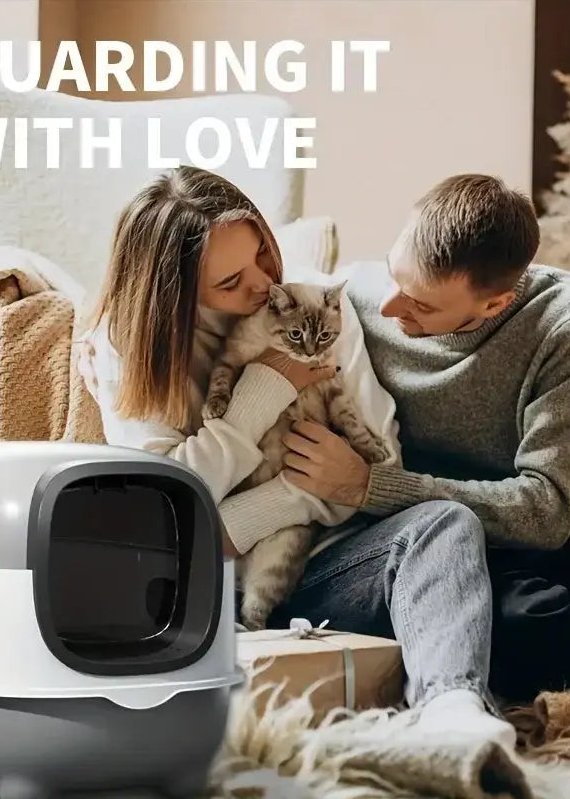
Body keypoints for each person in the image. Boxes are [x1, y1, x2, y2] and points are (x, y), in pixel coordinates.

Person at [77, 166, 517, 747]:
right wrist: (267, 393)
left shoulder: (313, 305)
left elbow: (381, 464)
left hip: (327, 562)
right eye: (230, 281)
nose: (262, 284)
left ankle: (453, 710)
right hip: (209, 592)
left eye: (263, 253)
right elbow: (169, 514)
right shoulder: (128, 348)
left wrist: (296, 498)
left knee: (447, 521)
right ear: (175, 295)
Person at [276, 173, 570, 702]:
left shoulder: (564, 316)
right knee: (524, 630)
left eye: (422, 306)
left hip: (559, 545)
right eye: (392, 276)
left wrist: (370, 485)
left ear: (494, 305)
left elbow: (548, 512)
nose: (389, 309)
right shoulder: (345, 302)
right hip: (450, 566)